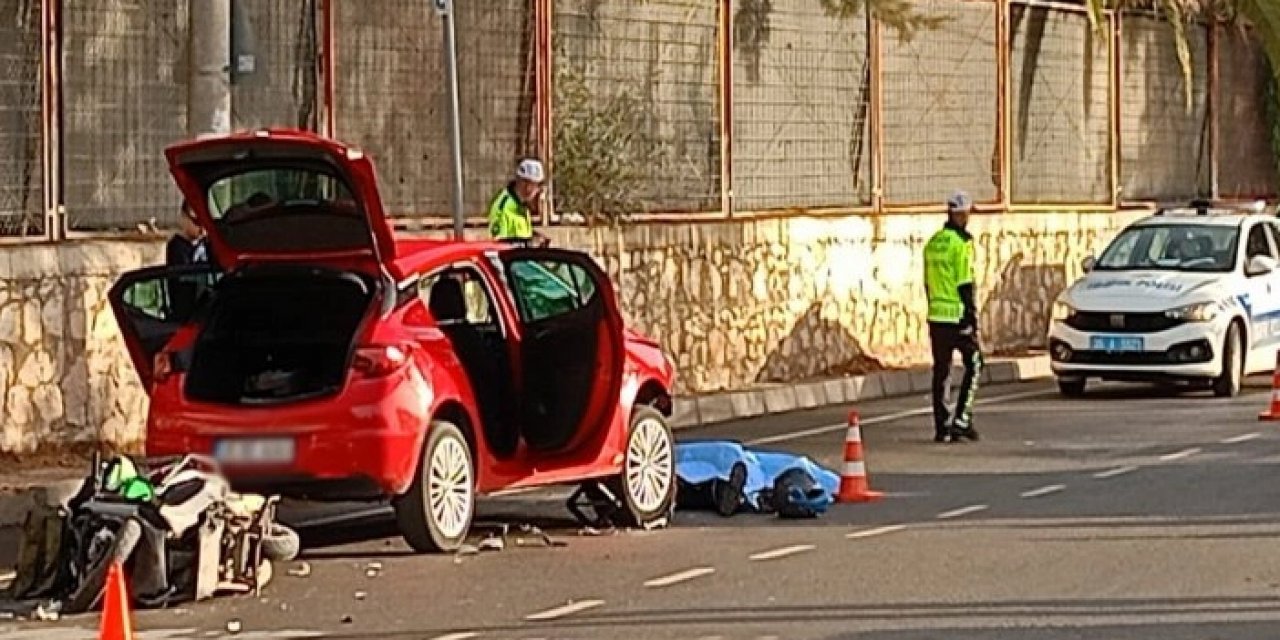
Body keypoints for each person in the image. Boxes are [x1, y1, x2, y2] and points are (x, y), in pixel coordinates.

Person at [923, 191, 983, 443]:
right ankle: (962, 419)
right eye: (966, 213)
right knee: (975, 363)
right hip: (957, 316)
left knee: (942, 371)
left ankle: (942, 425)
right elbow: (965, 285)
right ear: (960, 214)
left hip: (936, 316)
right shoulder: (962, 245)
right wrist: (971, 319)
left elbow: (927, 283)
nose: (968, 218)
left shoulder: (932, 243)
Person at [488, 158, 550, 247]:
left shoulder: (522, 205)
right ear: (518, 180)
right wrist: (529, 243)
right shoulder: (503, 206)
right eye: (526, 182)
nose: (529, 189)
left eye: (534, 185)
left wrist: (535, 237)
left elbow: (520, 234)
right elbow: (498, 245)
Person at [165, 202, 211, 267]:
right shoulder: (177, 247)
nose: (202, 230)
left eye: (205, 224)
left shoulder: (207, 244)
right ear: (184, 218)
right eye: (197, 223)